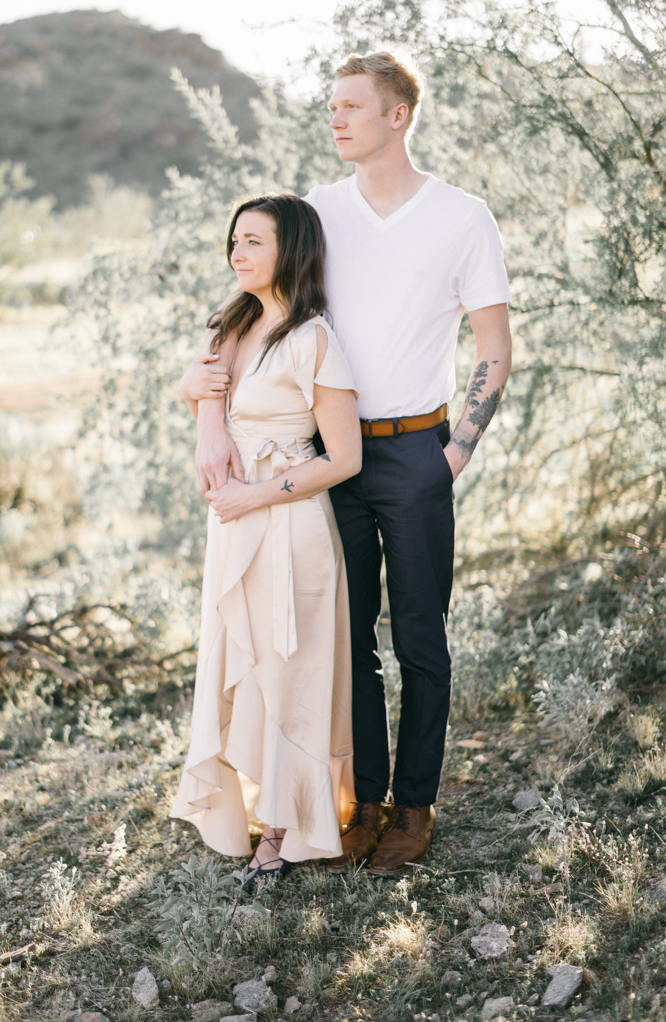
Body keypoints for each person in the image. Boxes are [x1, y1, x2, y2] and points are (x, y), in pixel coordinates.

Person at [181, 51, 512, 877]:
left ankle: (415, 806)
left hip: (414, 450)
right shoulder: (318, 213)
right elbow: (252, 304)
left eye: (351, 107)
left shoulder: (462, 217)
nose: (334, 119)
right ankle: (359, 802)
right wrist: (206, 406)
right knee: (345, 641)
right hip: (322, 454)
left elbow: (494, 348)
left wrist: (456, 450)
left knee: (422, 640)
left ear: (397, 115)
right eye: (331, 107)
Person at [170, 193, 363, 889]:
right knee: (238, 658)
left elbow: (344, 459)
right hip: (233, 524)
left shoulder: (313, 337)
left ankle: (284, 829)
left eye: (253, 241)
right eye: (234, 241)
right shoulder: (231, 323)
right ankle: (244, 806)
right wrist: (202, 415)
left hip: (288, 524)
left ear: (292, 250)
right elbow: (206, 397)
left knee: (289, 669)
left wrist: (256, 492)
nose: (238, 253)